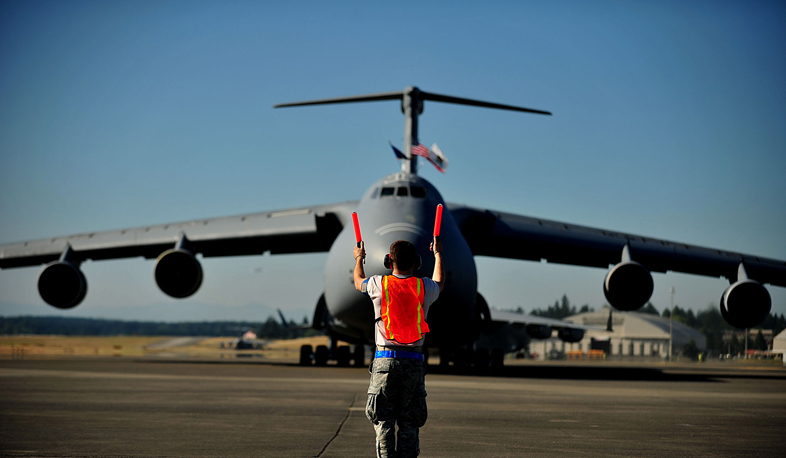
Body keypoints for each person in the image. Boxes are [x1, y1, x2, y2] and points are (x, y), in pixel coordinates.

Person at [353, 237, 444, 458]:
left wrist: (359, 258)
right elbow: (440, 282)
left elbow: (358, 281)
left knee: (383, 421)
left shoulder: (378, 284)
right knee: (410, 422)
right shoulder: (424, 287)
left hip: (384, 361)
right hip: (414, 362)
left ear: (388, 261)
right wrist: (438, 255)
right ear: (416, 262)